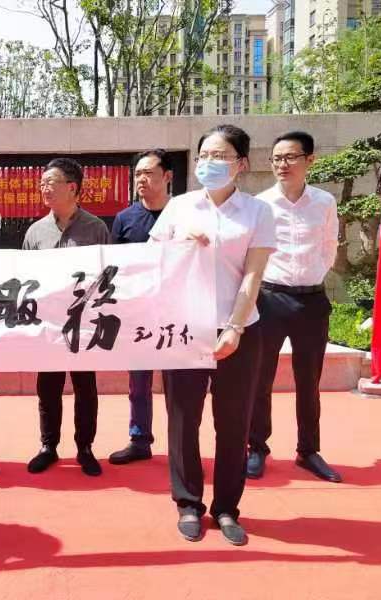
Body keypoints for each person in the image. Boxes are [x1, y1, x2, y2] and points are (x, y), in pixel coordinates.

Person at [150, 124, 275, 545]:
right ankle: (188, 503)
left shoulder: (258, 212)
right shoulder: (179, 207)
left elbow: (253, 275)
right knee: (183, 419)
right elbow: (152, 262)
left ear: (242, 164)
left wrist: (235, 327)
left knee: (234, 423)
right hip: (186, 327)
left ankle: (226, 508)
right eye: (204, 155)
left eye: (220, 156)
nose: (209, 163)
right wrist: (178, 244)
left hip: (239, 328)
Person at [247, 131, 342, 483]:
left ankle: (308, 450)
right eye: (276, 158)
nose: (282, 164)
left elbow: (329, 245)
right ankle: (257, 447)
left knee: (309, 380)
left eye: (290, 157)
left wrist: (314, 275)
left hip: (312, 300)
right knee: (260, 378)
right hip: (270, 298)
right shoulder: (261, 204)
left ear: (309, 160)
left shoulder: (324, 202)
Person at [23, 157, 111, 477]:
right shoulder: (35, 232)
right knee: (48, 387)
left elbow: (107, 276)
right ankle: (48, 446)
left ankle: (85, 447)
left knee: (85, 387)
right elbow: (26, 279)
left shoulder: (96, 228)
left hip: (85, 325)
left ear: (72, 188)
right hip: (48, 325)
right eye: (42, 183)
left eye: (51, 183)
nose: (44, 188)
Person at [108, 149, 173, 465]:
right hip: (139, 314)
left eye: (148, 173)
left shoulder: (184, 214)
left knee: (180, 386)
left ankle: (182, 445)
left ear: (167, 176)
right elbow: (115, 268)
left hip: (178, 312)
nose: (141, 180)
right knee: (138, 384)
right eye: (137, 174)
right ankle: (139, 440)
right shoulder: (124, 219)